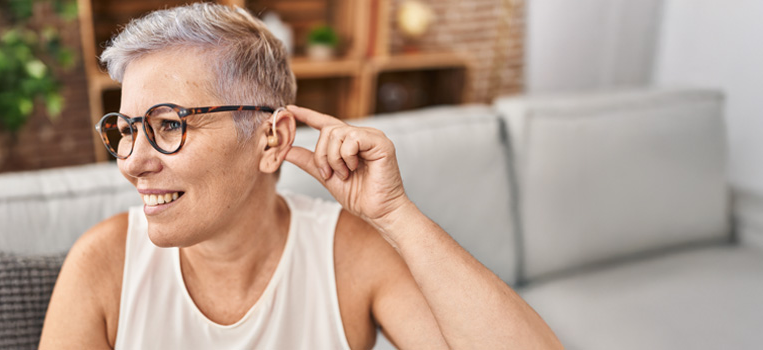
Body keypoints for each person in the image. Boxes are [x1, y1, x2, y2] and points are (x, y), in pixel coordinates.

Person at [39, 3, 562, 349]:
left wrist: (395, 216)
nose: (131, 161)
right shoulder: (104, 265)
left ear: (272, 139)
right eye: (127, 129)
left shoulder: (348, 255)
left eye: (169, 124)